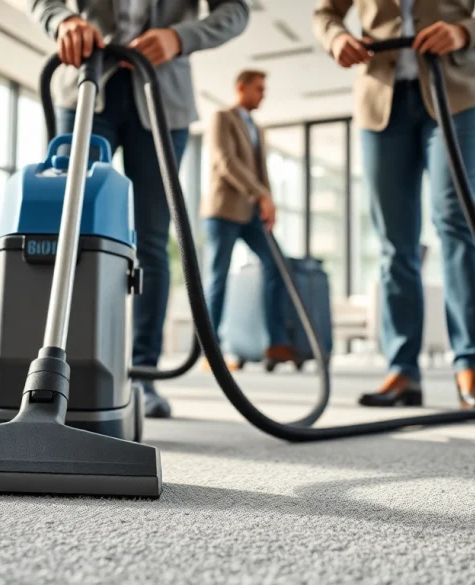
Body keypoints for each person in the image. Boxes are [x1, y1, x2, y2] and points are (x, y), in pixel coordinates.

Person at [312, 0, 475, 409]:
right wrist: (337, 38)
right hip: (381, 99)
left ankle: (470, 365)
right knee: (393, 240)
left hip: (457, 91)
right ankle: (402, 370)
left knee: (457, 221)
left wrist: (466, 31)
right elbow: (325, 13)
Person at [30, 0, 250, 418]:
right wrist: (62, 19)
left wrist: (180, 37)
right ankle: (60, 371)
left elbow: (236, 11)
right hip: (86, 82)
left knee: (151, 240)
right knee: (69, 231)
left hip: (161, 93)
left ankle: (143, 374)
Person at [202, 69, 299, 370]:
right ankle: (210, 350)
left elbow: (261, 172)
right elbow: (225, 161)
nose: (263, 94)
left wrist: (267, 201)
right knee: (218, 278)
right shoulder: (223, 118)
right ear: (241, 87)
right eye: (258, 89)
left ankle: (276, 343)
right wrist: (260, 194)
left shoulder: (258, 128)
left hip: (252, 213)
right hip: (224, 211)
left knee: (278, 266)